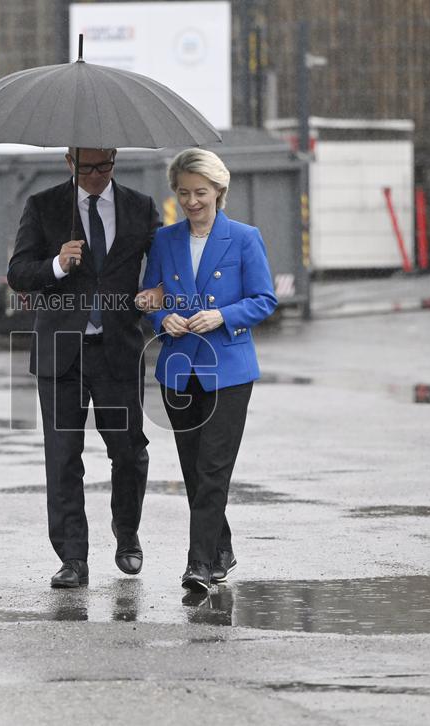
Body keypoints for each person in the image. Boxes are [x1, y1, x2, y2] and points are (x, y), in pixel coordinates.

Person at [7, 147, 160, 588]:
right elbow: (18, 271)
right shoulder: (43, 206)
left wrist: (159, 289)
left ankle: (126, 533)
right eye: (87, 167)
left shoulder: (140, 207)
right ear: (69, 162)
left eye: (105, 166)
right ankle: (73, 557)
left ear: (114, 159)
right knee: (63, 458)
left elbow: (164, 260)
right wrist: (56, 264)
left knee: (129, 452)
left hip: (117, 351)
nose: (97, 176)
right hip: (62, 353)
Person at [136, 148, 277, 591]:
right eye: (183, 193)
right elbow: (147, 296)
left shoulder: (244, 237)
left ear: (219, 190)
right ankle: (222, 547)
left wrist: (223, 316)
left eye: (200, 192)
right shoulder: (165, 240)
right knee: (194, 468)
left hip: (229, 370)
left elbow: (264, 299)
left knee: (214, 467)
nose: (192, 201)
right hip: (178, 369)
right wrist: (162, 318)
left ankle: (198, 564)